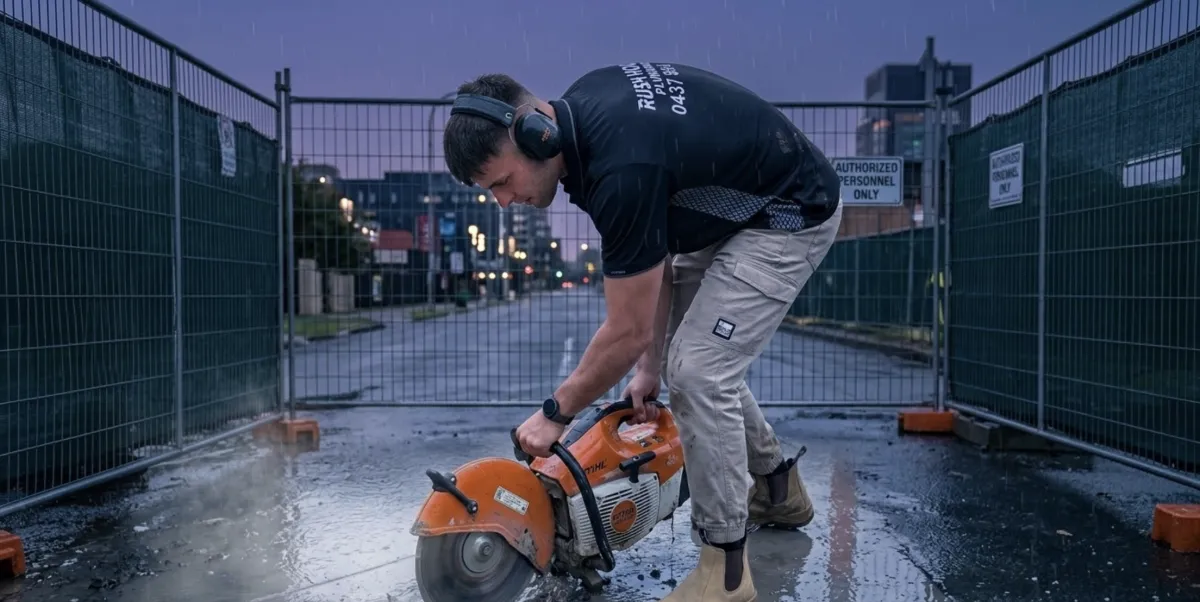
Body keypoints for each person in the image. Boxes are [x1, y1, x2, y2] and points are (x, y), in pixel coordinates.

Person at [441, 62, 843, 602]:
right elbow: (654, 260)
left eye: (503, 182)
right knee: (687, 361)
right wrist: (649, 367)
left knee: (700, 371)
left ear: (536, 133)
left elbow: (626, 330)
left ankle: (725, 573)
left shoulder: (618, 166)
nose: (504, 201)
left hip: (790, 210)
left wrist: (553, 415)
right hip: (732, 211)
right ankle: (777, 489)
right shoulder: (584, 119)